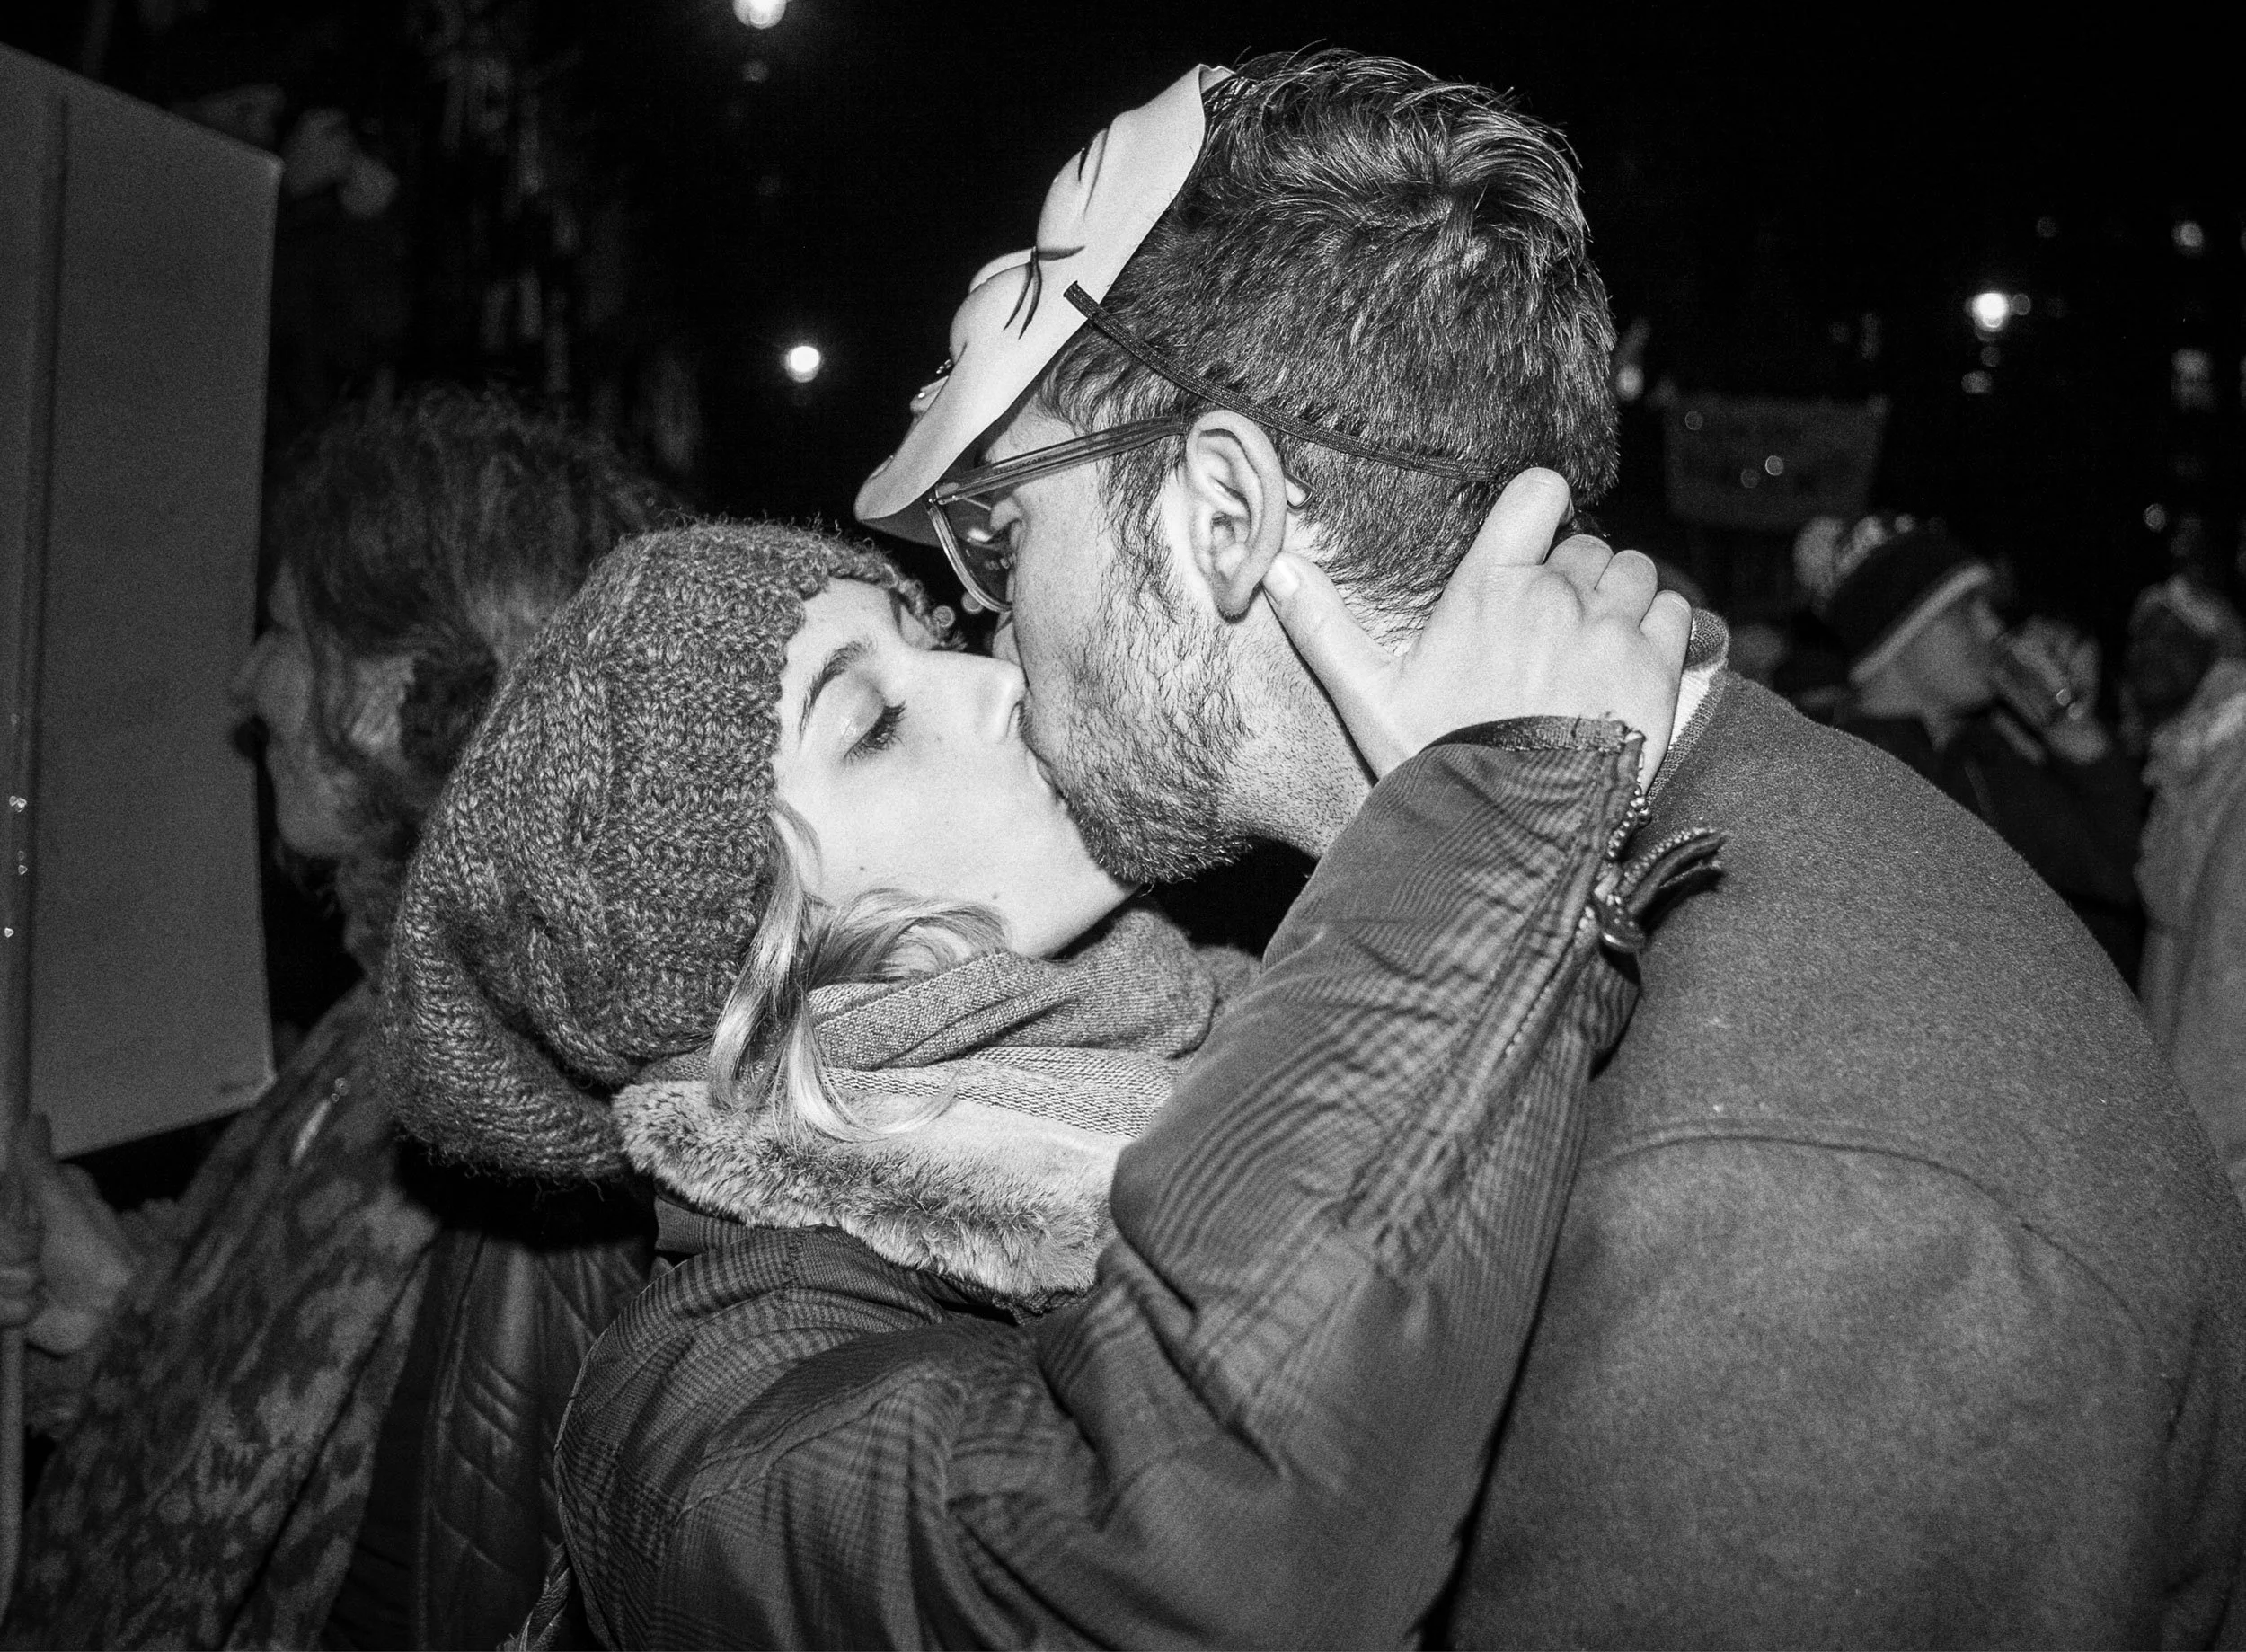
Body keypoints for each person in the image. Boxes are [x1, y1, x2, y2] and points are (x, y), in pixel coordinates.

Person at [841, 54, 2246, 1643]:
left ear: (1224, 514)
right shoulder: (1606, 884)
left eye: (1001, 532)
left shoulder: (1778, 1212)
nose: (988, 626)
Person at [371, 488, 1697, 1650]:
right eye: (873, 724)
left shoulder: (1237, 1010)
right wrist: (1489, 826)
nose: (996, 680)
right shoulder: (698, 1422)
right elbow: (1181, 1566)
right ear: (763, 950)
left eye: (931, 635)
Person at [0, 390, 670, 1649]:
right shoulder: (392, 1018)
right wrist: (102, 1307)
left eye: (284, 631)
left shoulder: (519, 1106)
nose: (245, 682)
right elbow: (271, 1402)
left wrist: (123, 1333)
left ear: (387, 690)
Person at [1798, 511, 2147, 973]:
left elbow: (2125, 871)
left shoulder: (1980, 760)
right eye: (1964, 612)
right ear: (1897, 637)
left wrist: (2065, 722)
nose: (1993, 630)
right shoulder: (1830, 774)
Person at [2129, 576, 2246, 1201]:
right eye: (2139, 635)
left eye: (2172, 633)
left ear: (2219, 647)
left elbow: (2227, 988)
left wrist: (2211, 1182)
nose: (2148, 650)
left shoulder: (2229, 761)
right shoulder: (2191, 756)